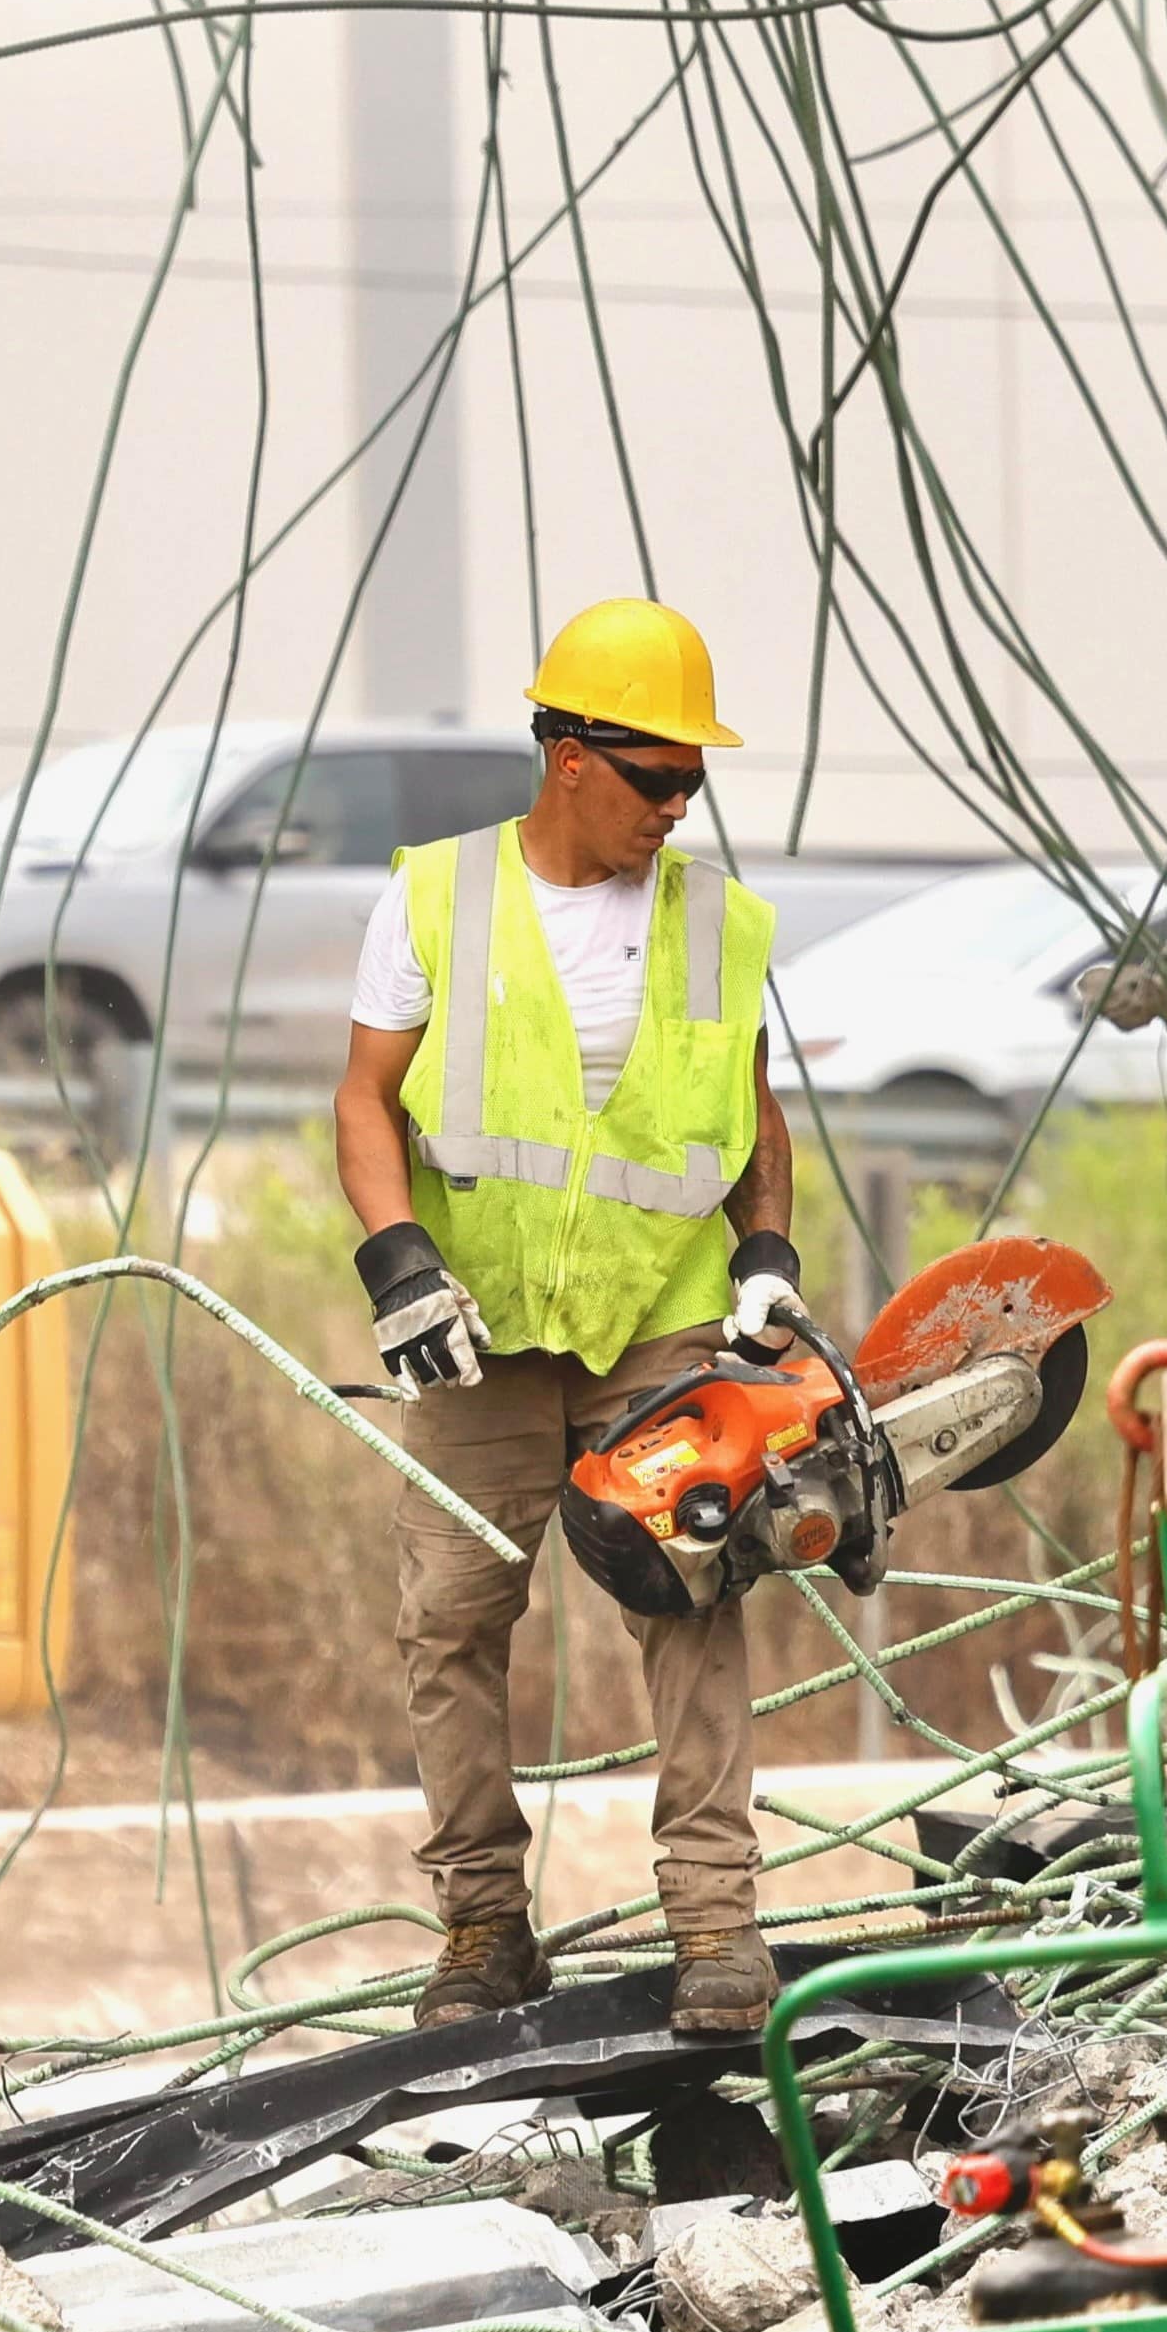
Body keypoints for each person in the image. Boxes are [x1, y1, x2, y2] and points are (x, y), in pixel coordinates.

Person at [333, 597, 798, 2034]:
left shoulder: (719, 921)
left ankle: (717, 1924)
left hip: (653, 1314)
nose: (677, 806)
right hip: (477, 1326)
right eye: (656, 776)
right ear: (569, 754)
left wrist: (766, 1250)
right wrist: (400, 1262)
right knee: (452, 1616)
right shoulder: (434, 896)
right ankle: (482, 1923)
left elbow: (751, 1116)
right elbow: (364, 1099)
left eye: (693, 781)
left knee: (694, 1585)